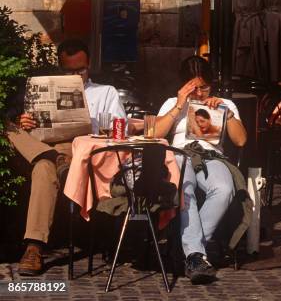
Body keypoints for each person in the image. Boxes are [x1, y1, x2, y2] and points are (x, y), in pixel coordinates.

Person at [8, 39, 126, 276]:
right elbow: (27, 127)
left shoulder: (105, 92)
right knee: (9, 128)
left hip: (78, 151)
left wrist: (92, 123)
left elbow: (118, 129)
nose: (75, 75)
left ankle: (34, 247)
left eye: (80, 70)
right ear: (59, 67)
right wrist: (26, 122)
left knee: (43, 168)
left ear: (89, 65)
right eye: (68, 70)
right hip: (46, 148)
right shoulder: (43, 87)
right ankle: (52, 158)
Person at [155, 56, 247, 284]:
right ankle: (196, 255)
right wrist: (179, 104)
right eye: (193, 88)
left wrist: (228, 113)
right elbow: (155, 134)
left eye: (204, 88)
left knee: (225, 188)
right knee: (185, 191)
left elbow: (241, 140)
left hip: (211, 155)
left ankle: (190, 251)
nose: (199, 94)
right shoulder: (172, 102)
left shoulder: (225, 103)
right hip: (179, 153)